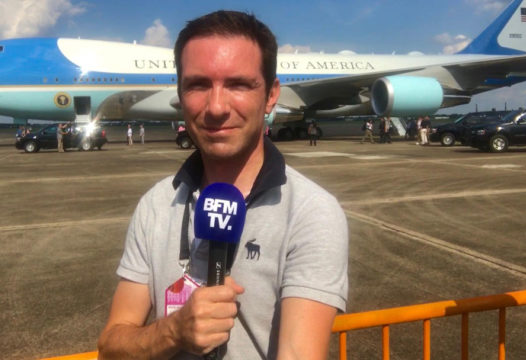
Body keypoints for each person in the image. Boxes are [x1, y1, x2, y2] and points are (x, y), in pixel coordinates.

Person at [98, 10, 348, 360]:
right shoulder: (156, 205)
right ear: (181, 94)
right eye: (198, 85)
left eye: (238, 84)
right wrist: (173, 330)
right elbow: (111, 348)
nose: (216, 107)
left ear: (272, 95)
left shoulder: (310, 212)